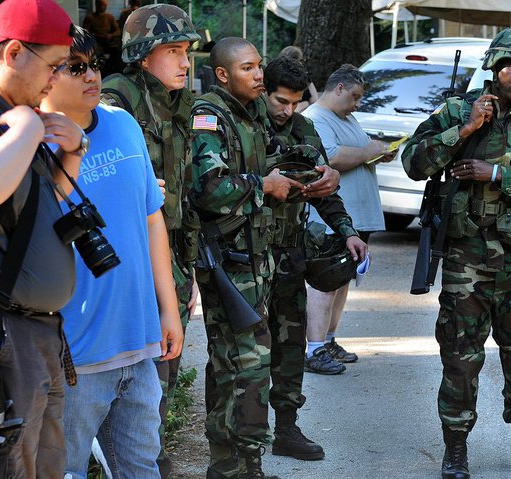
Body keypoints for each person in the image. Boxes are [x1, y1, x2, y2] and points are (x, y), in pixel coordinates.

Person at [401, 28, 511, 479]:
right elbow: (414, 163)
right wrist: (466, 128)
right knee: (460, 358)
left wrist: (497, 173)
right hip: (466, 263)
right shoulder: (459, 109)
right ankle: (455, 449)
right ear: (495, 65)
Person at [0, 0, 84, 476]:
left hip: (35, 338)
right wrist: (26, 129)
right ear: (14, 53)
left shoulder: (13, 112)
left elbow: (43, 204)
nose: (58, 78)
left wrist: (73, 150)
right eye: (56, 65)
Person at [39, 25, 182, 478]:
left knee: (141, 468)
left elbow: (151, 219)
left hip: (138, 345)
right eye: (75, 67)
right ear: (46, 77)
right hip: (74, 356)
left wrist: (169, 309)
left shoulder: (122, 122)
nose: (91, 76)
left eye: (95, 65)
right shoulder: (29, 144)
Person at [188, 37, 301, 479]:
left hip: (258, 260)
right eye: (248, 68)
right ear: (222, 74)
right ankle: (236, 463)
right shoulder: (209, 116)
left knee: (236, 366)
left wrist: (308, 169)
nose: (259, 75)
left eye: (259, 67)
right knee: (247, 367)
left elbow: (269, 158)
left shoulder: (248, 113)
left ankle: (236, 464)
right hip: (231, 262)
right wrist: (264, 187)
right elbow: (209, 189)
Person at [100, 4, 201, 477]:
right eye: (173, 51)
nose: (184, 62)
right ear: (143, 56)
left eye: (187, 52)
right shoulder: (117, 102)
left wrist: (189, 267)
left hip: (171, 256)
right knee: (133, 376)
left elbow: (184, 191)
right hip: (129, 260)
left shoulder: (179, 103)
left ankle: (150, 459)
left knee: (165, 370)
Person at [262, 55, 368, 460]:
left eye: (295, 102)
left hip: (290, 253)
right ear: (264, 92)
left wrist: (349, 232)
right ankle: (244, 439)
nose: (288, 111)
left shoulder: (303, 127)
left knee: (290, 347)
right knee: (247, 354)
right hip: (246, 257)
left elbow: (325, 186)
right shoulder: (244, 127)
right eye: (280, 102)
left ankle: (286, 430)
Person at [302, 64, 394, 374]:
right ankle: (314, 348)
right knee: (325, 283)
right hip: (332, 219)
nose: (356, 104)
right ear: (338, 88)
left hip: (353, 221)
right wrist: (370, 150)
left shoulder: (346, 118)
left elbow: (357, 152)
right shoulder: (315, 118)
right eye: (353, 97)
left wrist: (378, 152)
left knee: (341, 282)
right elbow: (331, 157)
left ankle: (328, 340)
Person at [83, 0, 121, 75]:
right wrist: (96, 36)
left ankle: (114, 71)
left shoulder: (109, 17)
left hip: (109, 42)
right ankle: (101, 72)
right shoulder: (90, 18)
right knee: (98, 54)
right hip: (97, 42)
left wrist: (110, 35)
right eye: (100, 4)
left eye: (104, 5)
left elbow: (118, 31)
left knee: (118, 52)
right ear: (96, 5)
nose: (102, 7)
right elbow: (85, 33)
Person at [277, 46, 318, 112]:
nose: (301, 63)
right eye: (300, 60)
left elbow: (315, 104)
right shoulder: (278, 81)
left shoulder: (306, 79)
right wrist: (305, 104)